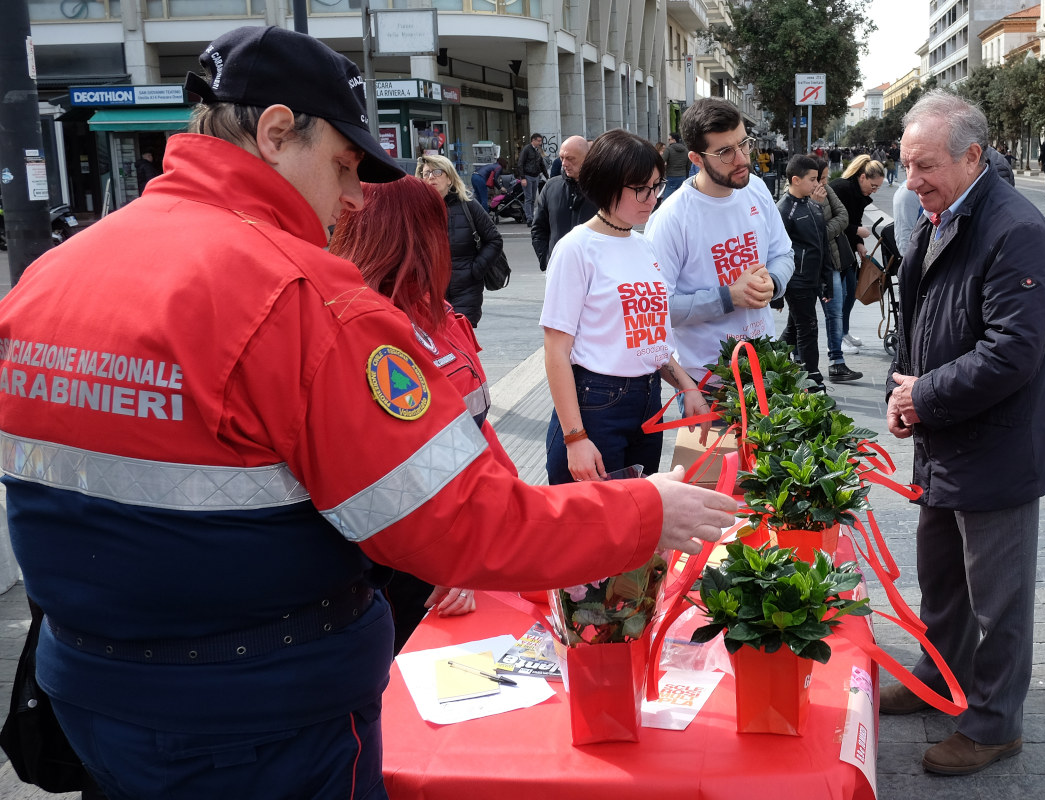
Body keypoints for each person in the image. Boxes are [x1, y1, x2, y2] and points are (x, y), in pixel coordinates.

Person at [0, 26, 737, 799]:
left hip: (88, 698)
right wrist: (643, 511)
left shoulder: (55, 274)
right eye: (346, 166)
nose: (356, 197)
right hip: (259, 722)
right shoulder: (299, 297)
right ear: (279, 132)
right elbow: (463, 524)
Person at [883, 90, 1045, 776]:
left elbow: (1011, 353)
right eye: (905, 165)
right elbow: (917, 317)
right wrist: (903, 391)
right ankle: (940, 678)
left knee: (999, 601)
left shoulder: (1015, 229)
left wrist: (923, 394)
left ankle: (993, 724)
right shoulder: (940, 216)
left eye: (924, 165)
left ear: (973, 156)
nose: (912, 180)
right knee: (944, 582)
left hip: (997, 449)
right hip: (944, 441)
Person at [329, 175, 521, 650]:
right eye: (437, 227)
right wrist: (460, 557)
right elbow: (387, 479)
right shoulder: (358, 332)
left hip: (463, 552)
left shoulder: (441, 318)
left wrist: (509, 519)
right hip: (410, 570)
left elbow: (479, 439)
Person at [541, 129, 710, 484]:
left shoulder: (644, 246)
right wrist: (575, 437)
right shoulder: (577, 249)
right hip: (595, 403)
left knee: (636, 521)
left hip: (647, 400)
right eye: (641, 189)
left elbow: (651, 339)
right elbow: (557, 350)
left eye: (656, 186)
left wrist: (687, 387)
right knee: (593, 528)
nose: (652, 199)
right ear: (607, 184)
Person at [642, 97, 794, 382]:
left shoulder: (757, 190)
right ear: (696, 159)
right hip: (708, 382)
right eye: (725, 152)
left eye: (743, 144)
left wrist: (773, 282)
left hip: (767, 369)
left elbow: (784, 254)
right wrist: (728, 297)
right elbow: (658, 309)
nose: (741, 159)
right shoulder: (672, 218)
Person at [417, 153, 502, 327]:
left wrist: (475, 270)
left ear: (449, 178)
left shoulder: (468, 206)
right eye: (426, 173)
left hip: (465, 292)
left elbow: (494, 240)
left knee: (462, 345)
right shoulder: (416, 210)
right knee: (435, 349)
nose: (431, 177)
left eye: (437, 172)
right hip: (428, 293)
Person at [776, 155, 834, 392]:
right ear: (795, 180)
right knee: (808, 328)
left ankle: (767, 362)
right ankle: (812, 379)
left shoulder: (813, 206)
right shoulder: (783, 210)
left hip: (811, 280)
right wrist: (776, 294)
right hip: (796, 281)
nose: (817, 184)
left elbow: (823, 245)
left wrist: (827, 281)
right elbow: (775, 251)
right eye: (812, 179)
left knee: (795, 327)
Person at [812, 157, 862, 384]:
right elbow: (810, 230)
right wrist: (820, 222)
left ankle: (837, 362)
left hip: (834, 261)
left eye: (823, 178)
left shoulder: (826, 190)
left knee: (835, 312)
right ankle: (797, 361)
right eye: (817, 179)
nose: (822, 183)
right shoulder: (796, 198)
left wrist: (823, 231)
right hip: (813, 265)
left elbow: (844, 217)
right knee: (800, 320)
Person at [829, 154, 884, 356]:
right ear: (862, 177)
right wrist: (857, 233)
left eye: (878, 187)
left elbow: (854, 220)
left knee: (851, 292)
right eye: (873, 185)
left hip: (848, 250)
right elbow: (834, 222)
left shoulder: (859, 195)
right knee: (840, 296)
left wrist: (860, 243)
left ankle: (843, 332)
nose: (875, 190)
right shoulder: (841, 188)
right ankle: (835, 340)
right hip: (834, 251)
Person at [531, 135, 596, 272]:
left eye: (571, 159)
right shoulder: (551, 187)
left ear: (587, 158)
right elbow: (538, 228)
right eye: (562, 158)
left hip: (595, 273)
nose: (564, 163)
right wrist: (547, 260)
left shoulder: (605, 190)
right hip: (558, 270)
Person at [516, 133, 548, 226]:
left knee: (533, 198)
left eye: (540, 141)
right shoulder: (527, 149)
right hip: (528, 176)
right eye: (538, 141)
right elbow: (520, 163)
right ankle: (529, 219)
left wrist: (547, 177)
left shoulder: (537, 150)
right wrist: (523, 177)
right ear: (533, 140)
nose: (540, 143)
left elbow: (541, 164)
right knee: (529, 198)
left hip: (535, 176)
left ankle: (532, 217)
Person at [661, 131, 690, 201]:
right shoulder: (686, 150)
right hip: (682, 176)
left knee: (667, 197)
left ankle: (665, 211)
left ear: (674, 140)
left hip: (671, 175)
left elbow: (661, 161)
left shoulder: (669, 150)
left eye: (669, 139)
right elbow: (689, 165)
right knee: (680, 196)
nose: (668, 141)